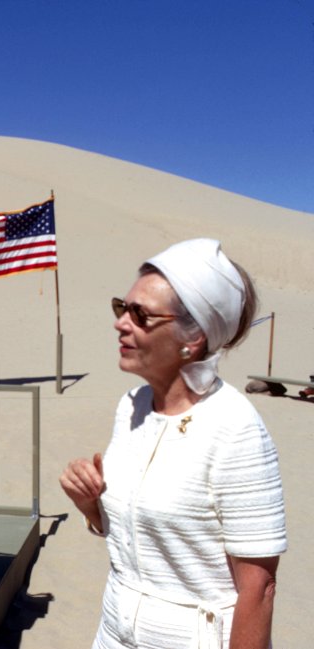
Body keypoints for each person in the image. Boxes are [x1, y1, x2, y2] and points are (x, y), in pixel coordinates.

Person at [60, 239, 287, 649]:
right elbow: (142, 536)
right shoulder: (132, 406)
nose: (120, 323)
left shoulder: (235, 427)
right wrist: (92, 506)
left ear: (193, 337)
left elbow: (260, 588)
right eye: (121, 307)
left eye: (140, 314)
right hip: (113, 634)